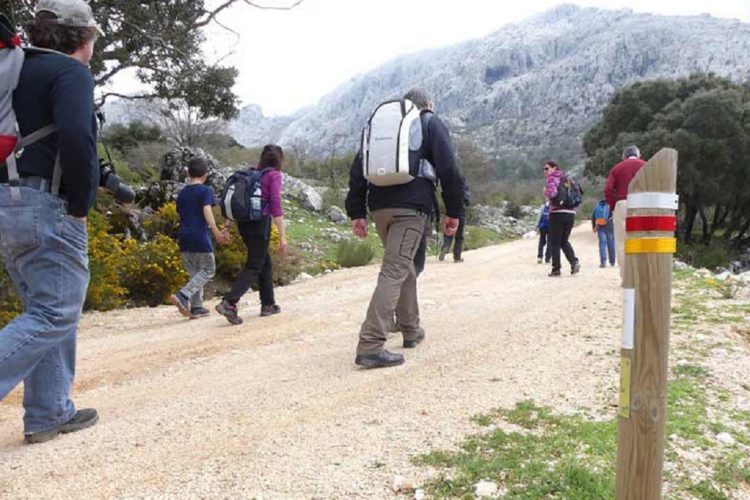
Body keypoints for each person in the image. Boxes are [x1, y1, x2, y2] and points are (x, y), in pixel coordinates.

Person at [0, 0, 103, 444]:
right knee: (55, 310)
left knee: (46, 306)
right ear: (83, 37)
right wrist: (81, 204)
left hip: (7, 201)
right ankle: (48, 412)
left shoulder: (17, 68)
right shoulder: (70, 72)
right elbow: (79, 138)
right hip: (46, 204)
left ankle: (48, 412)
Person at [346, 87, 465, 369]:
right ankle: (371, 344)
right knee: (395, 269)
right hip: (410, 210)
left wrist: (356, 211)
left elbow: (358, 168)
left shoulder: (379, 127)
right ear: (428, 104)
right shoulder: (428, 121)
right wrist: (455, 211)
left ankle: (411, 329)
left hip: (379, 209)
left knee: (405, 266)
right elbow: (449, 169)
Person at [216, 145, 288, 325]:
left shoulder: (250, 173)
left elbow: (237, 203)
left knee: (264, 260)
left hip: (244, 224)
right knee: (255, 264)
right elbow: (276, 205)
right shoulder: (273, 175)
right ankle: (229, 302)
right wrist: (282, 235)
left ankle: (268, 304)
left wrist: (227, 226)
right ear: (280, 159)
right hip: (259, 223)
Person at [169, 158, 229, 319]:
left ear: (189, 173)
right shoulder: (205, 191)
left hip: (183, 236)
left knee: (195, 272)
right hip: (199, 235)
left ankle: (196, 307)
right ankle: (183, 295)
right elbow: (206, 210)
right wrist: (216, 231)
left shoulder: (182, 193)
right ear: (205, 174)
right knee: (209, 269)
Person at [606, 145, 646, 280]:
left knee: (622, 242)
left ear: (624, 156)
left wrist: (613, 205)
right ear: (638, 155)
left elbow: (608, 189)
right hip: (641, 204)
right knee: (640, 239)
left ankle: (626, 277)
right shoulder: (646, 166)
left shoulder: (617, 168)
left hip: (622, 204)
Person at [544, 160, 580, 277]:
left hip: (557, 212)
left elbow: (553, 194)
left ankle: (556, 269)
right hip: (570, 213)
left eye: (547, 168)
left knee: (555, 241)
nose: (545, 171)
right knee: (564, 240)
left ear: (554, 168)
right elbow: (577, 193)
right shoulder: (568, 179)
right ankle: (573, 261)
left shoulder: (552, 179)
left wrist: (546, 193)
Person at [439, 183, 470, 263]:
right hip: (460, 213)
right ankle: (457, 256)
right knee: (459, 235)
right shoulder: (464, 186)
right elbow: (467, 200)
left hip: (450, 212)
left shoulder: (449, 187)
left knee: (449, 231)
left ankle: (445, 246)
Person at [591, 199, 615, 268]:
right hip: (610, 225)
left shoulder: (597, 206)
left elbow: (593, 217)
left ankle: (603, 262)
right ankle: (612, 261)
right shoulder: (610, 206)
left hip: (600, 226)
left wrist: (593, 227)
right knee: (611, 243)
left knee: (602, 244)